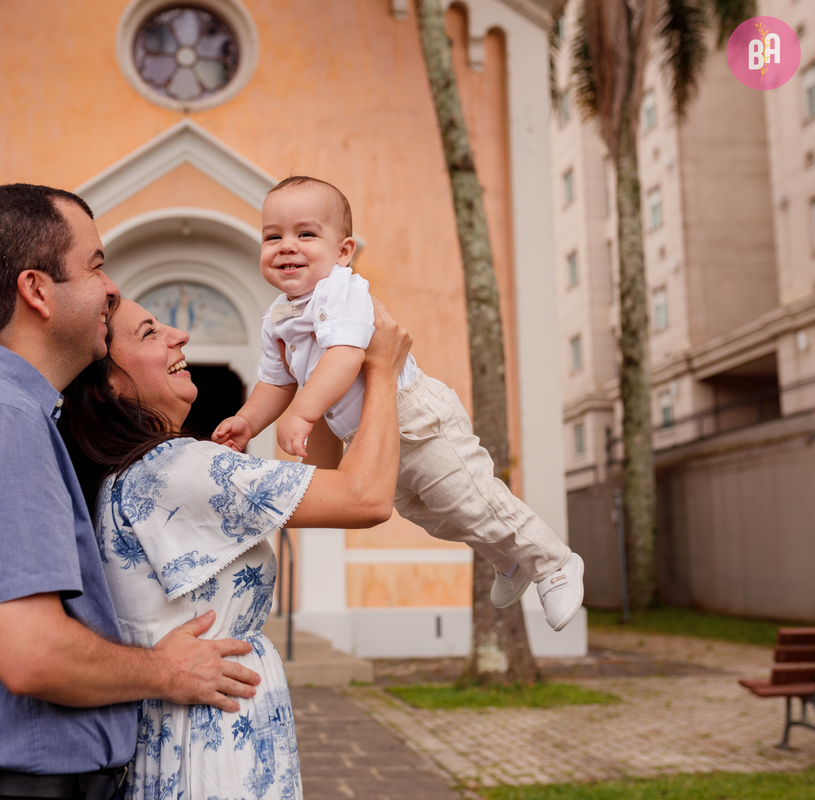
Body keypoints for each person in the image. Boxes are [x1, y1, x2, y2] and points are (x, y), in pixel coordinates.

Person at [0, 184, 263, 800]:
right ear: (36, 290)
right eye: (95, 266)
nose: (111, 288)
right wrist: (165, 670)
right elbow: (33, 655)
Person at [60, 294, 412, 800]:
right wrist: (379, 366)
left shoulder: (136, 474)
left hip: (189, 730)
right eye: (149, 332)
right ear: (109, 387)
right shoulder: (178, 469)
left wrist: (320, 384)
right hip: (214, 745)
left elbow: (329, 480)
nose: (178, 335)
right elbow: (367, 497)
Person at [212, 176, 585, 631]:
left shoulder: (340, 291)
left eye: (305, 234)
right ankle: (508, 560)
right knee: (435, 514)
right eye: (274, 236)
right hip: (373, 433)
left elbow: (346, 357)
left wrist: (304, 412)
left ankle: (554, 563)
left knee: (473, 499)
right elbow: (276, 380)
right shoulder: (278, 316)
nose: (287, 246)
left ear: (343, 251)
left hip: (416, 418)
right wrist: (248, 421)